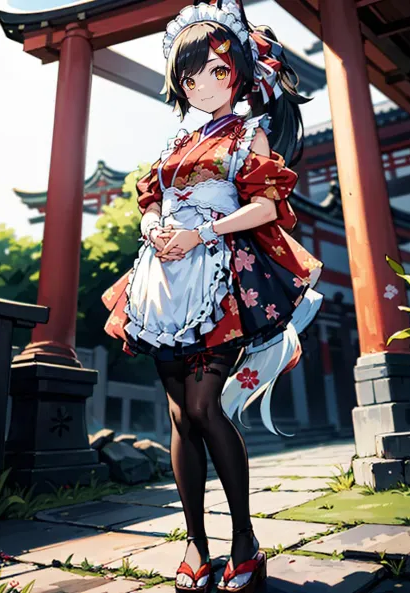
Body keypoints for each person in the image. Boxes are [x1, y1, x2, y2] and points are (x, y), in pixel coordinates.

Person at [102, 1, 324, 590]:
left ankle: (245, 540)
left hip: (220, 271)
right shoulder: (174, 143)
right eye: (190, 75)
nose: (203, 84)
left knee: (206, 407)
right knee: (180, 416)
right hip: (162, 280)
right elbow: (149, 200)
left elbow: (268, 206)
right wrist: (153, 229)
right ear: (179, 82)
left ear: (239, 75)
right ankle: (197, 548)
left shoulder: (248, 133)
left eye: (217, 71)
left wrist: (201, 231)